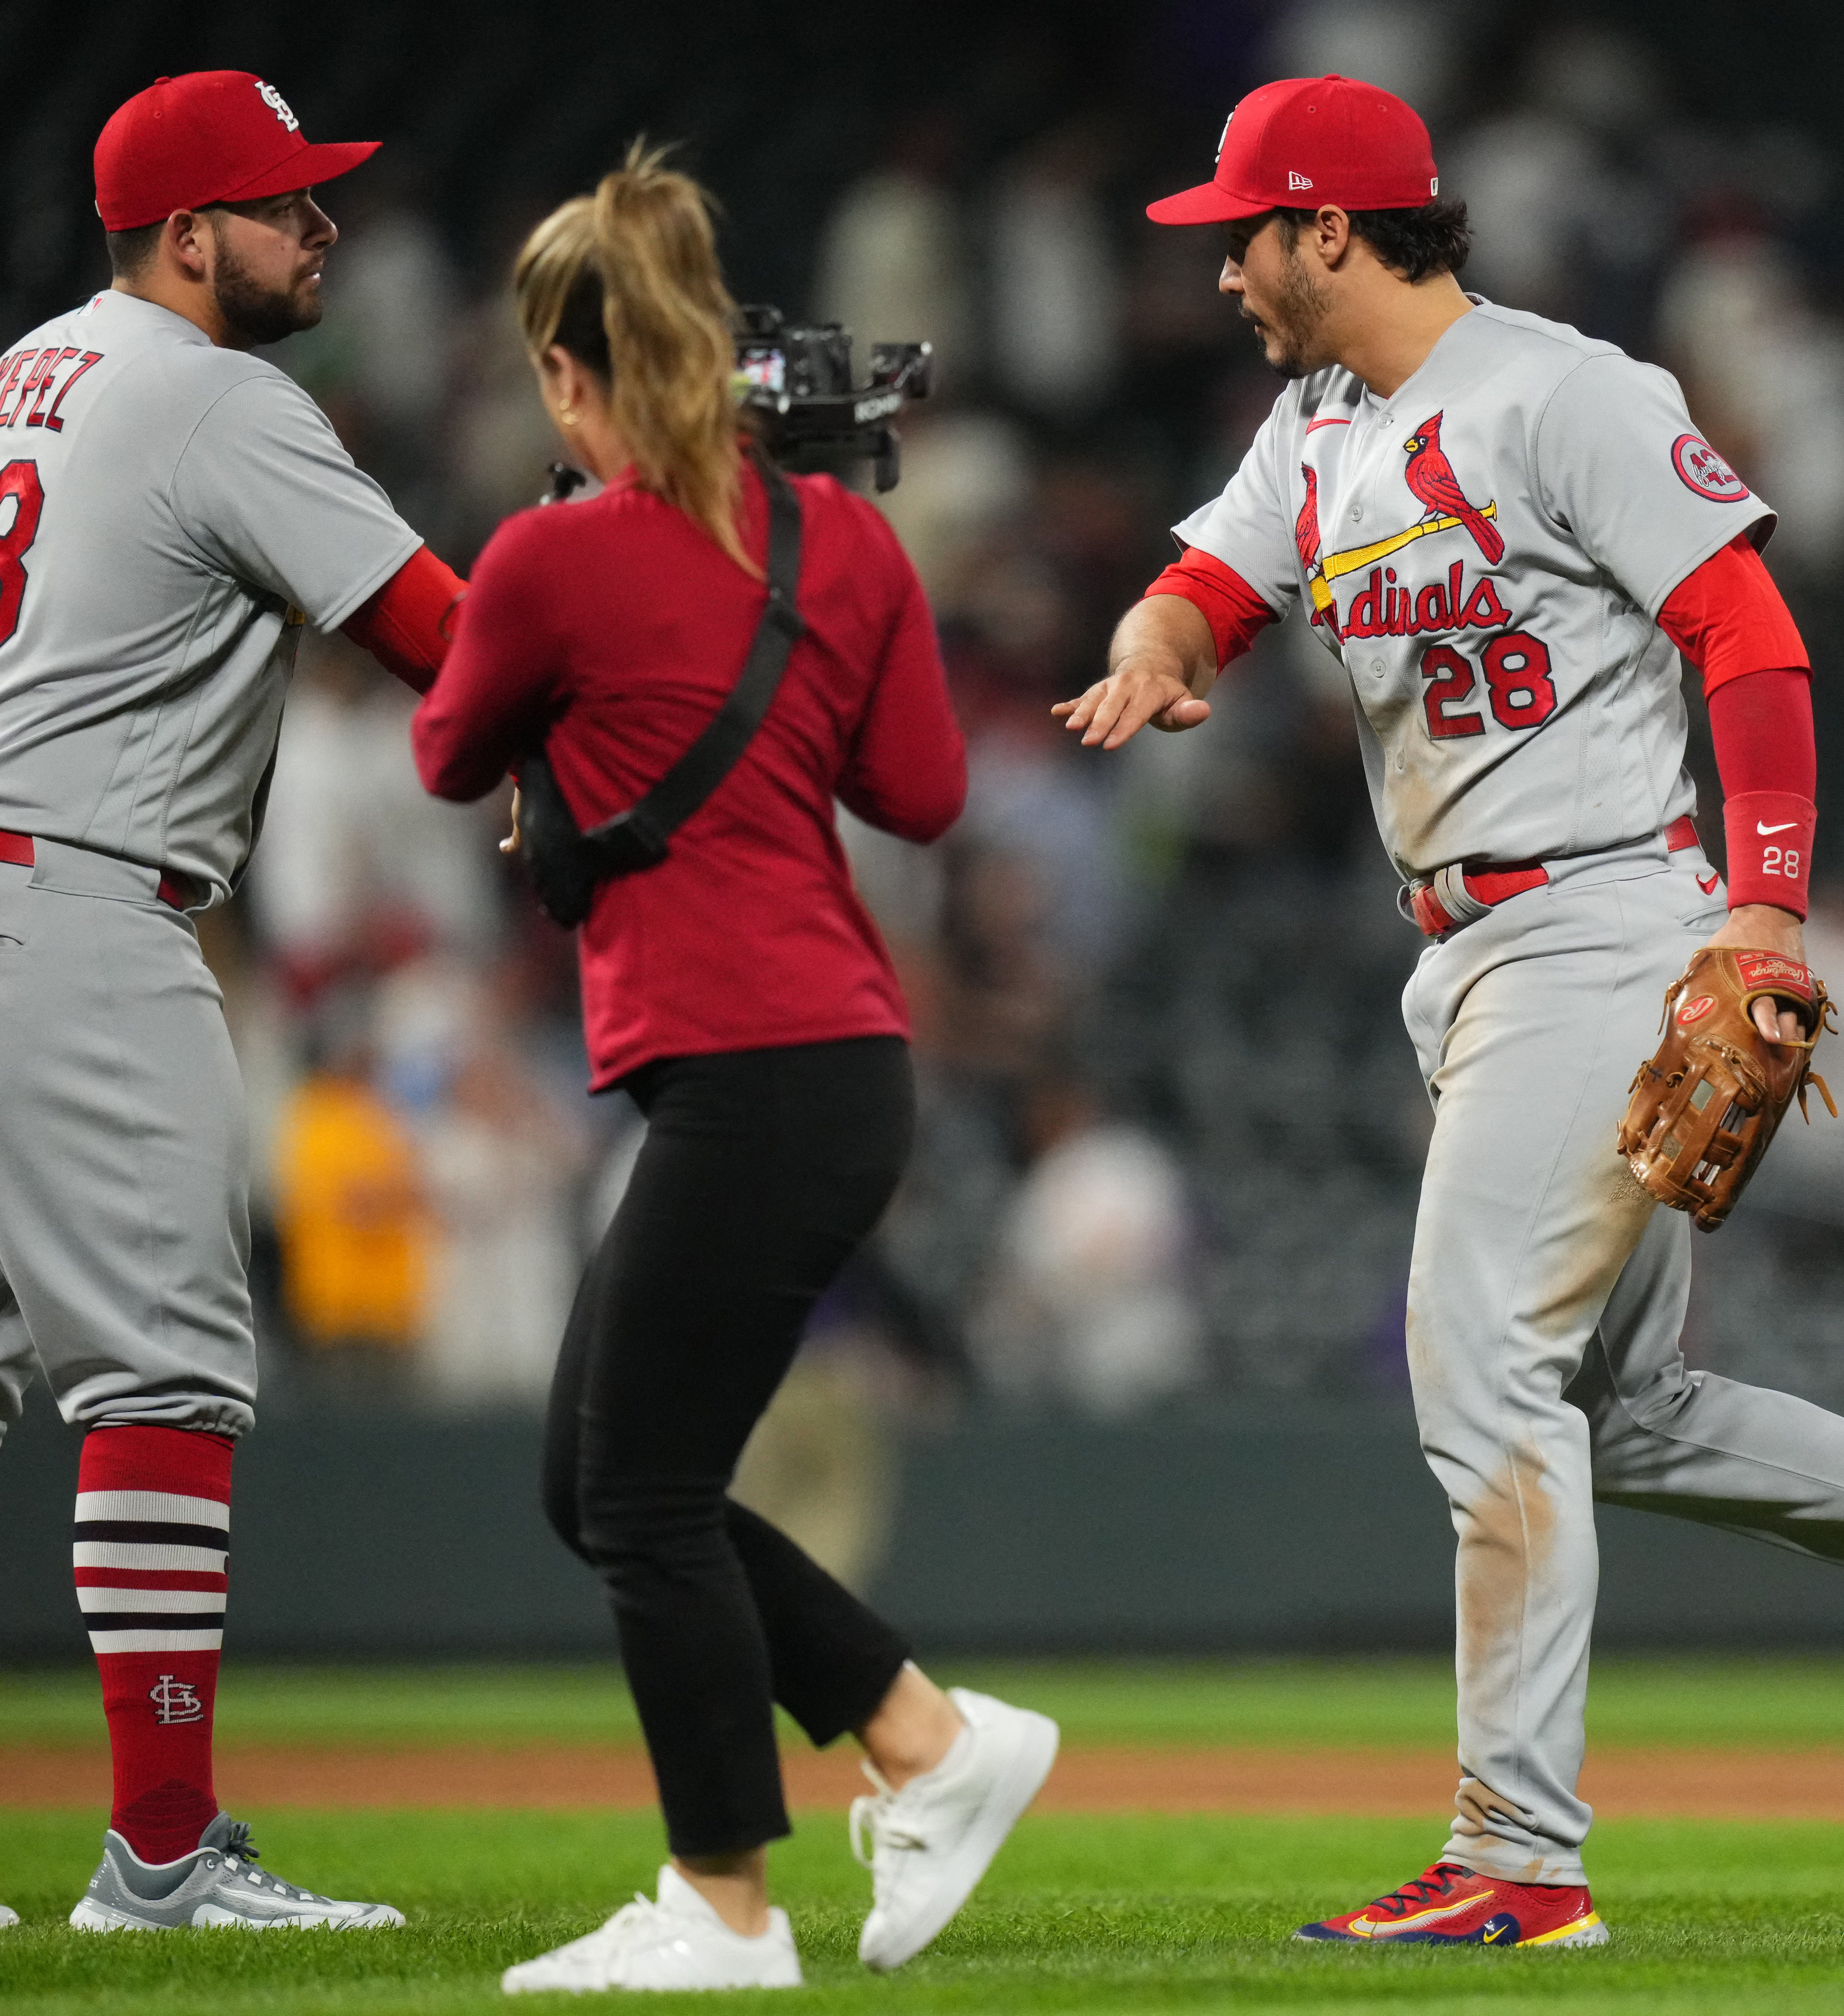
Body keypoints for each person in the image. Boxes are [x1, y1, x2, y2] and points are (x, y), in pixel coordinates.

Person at [1059, 74, 1844, 1949]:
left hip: (1601, 918)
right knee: (1620, 1405)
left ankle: (1518, 1855)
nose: (1224, 272)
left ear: (1331, 226)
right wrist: (1152, 653)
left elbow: (1749, 634)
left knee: (1479, 1362)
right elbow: (1203, 586)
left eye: (1242, 235)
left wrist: (1762, 911)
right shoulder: (1318, 425)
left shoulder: (1563, 391)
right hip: (1476, 949)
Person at [408, 148, 1055, 1993]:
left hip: (746, 1069)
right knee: (598, 1477)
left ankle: (725, 1909)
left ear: (567, 368)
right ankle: (927, 1740)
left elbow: (458, 755)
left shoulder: (548, 555)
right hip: (836, 1064)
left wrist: (574, 618)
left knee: (640, 1499)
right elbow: (920, 794)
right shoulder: (841, 538)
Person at [0, 71, 476, 1934]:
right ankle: (166, 1855)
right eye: (286, 205)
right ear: (188, 238)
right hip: (77, 903)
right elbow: (439, 638)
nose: (323, 227)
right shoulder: (217, 392)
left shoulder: (28, 367)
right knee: (166, 1371)